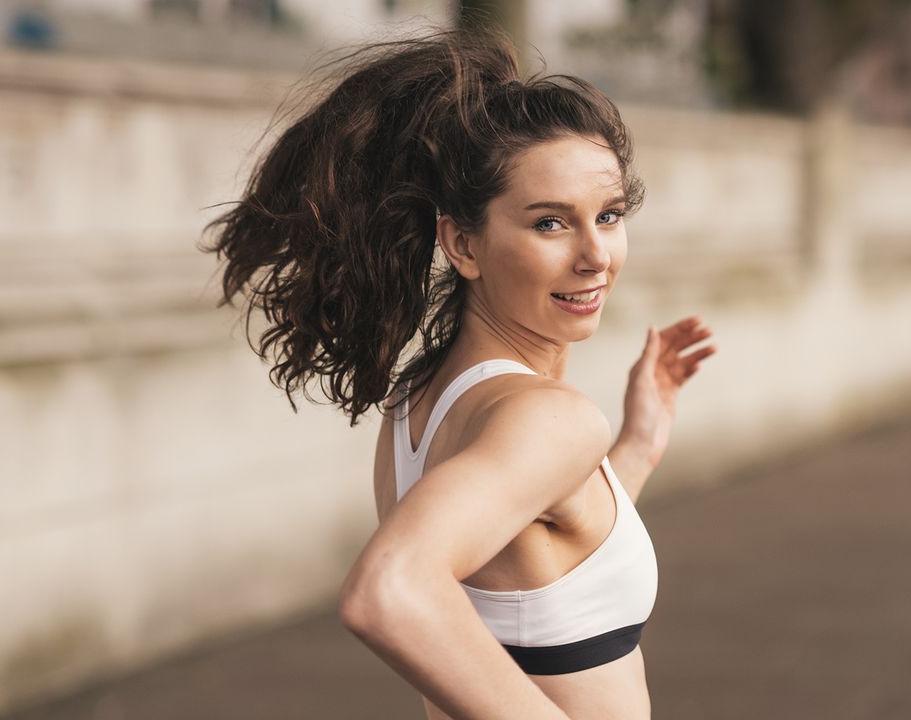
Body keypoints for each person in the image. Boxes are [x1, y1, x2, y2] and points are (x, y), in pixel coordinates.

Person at [201, 24, 716, 719]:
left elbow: (529, 569)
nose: (597, 255)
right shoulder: (548, 419)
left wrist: (636, 448)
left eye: (610, 214)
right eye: (550, 224)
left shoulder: (422, 400)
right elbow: (388, 592)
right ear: (463, 243)